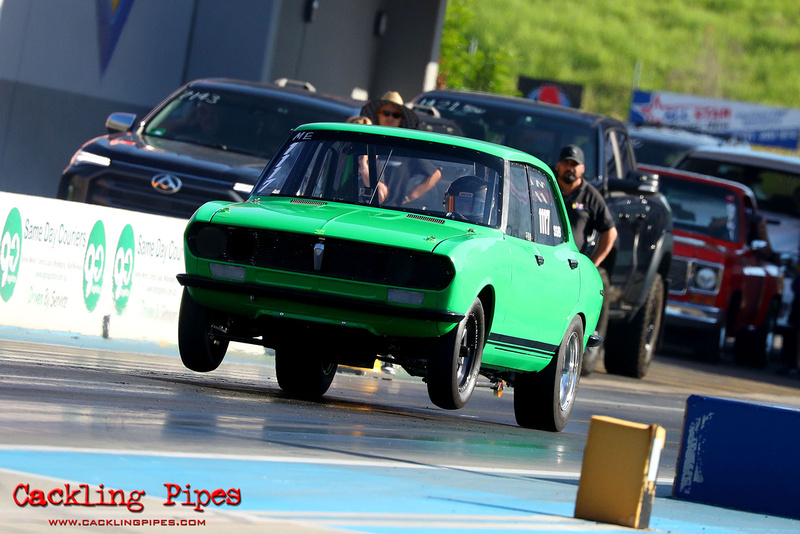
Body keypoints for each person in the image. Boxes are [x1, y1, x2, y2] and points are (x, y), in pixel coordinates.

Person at [358, 92, 441, 207]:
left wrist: (410, 196)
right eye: (386, 113)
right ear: (378, 115)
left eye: (396, 115)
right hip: (352, 207)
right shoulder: (361, 142)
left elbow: (435, 174)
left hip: (390, 212)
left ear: (400, 119)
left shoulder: (405, 149)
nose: (390, 118)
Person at [554, 145, 617, 267]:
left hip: (572, 266)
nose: (570, 168)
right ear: (558, 165)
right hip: (544, 258)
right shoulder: (546, 187)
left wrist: (592, 265)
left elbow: (610, 232)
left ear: (582, 168)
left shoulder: (591, 196)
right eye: (566, 163)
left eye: (574, 164)